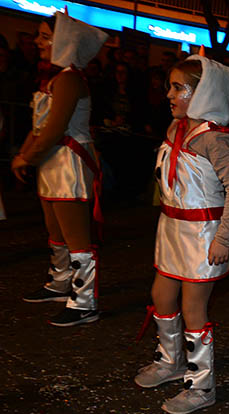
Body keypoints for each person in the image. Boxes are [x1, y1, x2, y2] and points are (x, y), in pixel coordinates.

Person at [133, 55, 229, 414]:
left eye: (178, 87)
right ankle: (171, 360)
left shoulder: (216, 139)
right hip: (172, 229)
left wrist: (224, 238)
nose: (169, 93)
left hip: (202, 235)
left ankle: (201, 386)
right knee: (160, 295)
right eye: (171, 85)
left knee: (193, 307)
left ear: (204, 93)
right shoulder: (175, 128)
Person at [14, 13, 107, 326]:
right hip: (53, 162)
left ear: (64, 41)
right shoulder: (54, 78)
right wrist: (27, 154)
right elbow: (40, 126)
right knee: (55, 231)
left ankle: (84, 303)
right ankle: (59, 283)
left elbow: (54, 129)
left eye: (44, 36)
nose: (38, 42)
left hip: (69, 162)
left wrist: (26, 157)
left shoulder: (69, 79)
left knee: (76, 237)